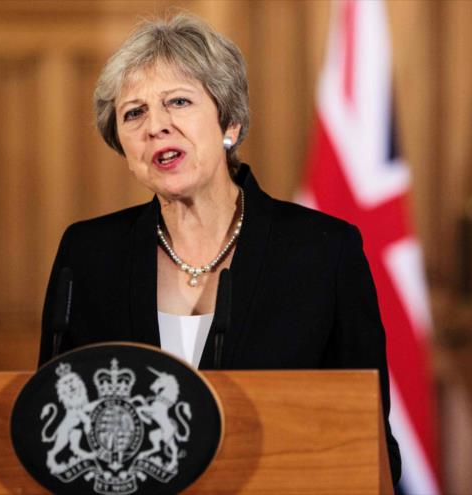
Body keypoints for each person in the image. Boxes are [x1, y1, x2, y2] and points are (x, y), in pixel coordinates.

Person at [37, 12, 401, 483]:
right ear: (123, 149)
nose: (156, 127)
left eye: (178, 102)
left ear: (229, 122)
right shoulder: (88, 255)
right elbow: (45, 424)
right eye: (134, 113)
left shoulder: (322, 252)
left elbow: (367, 432)